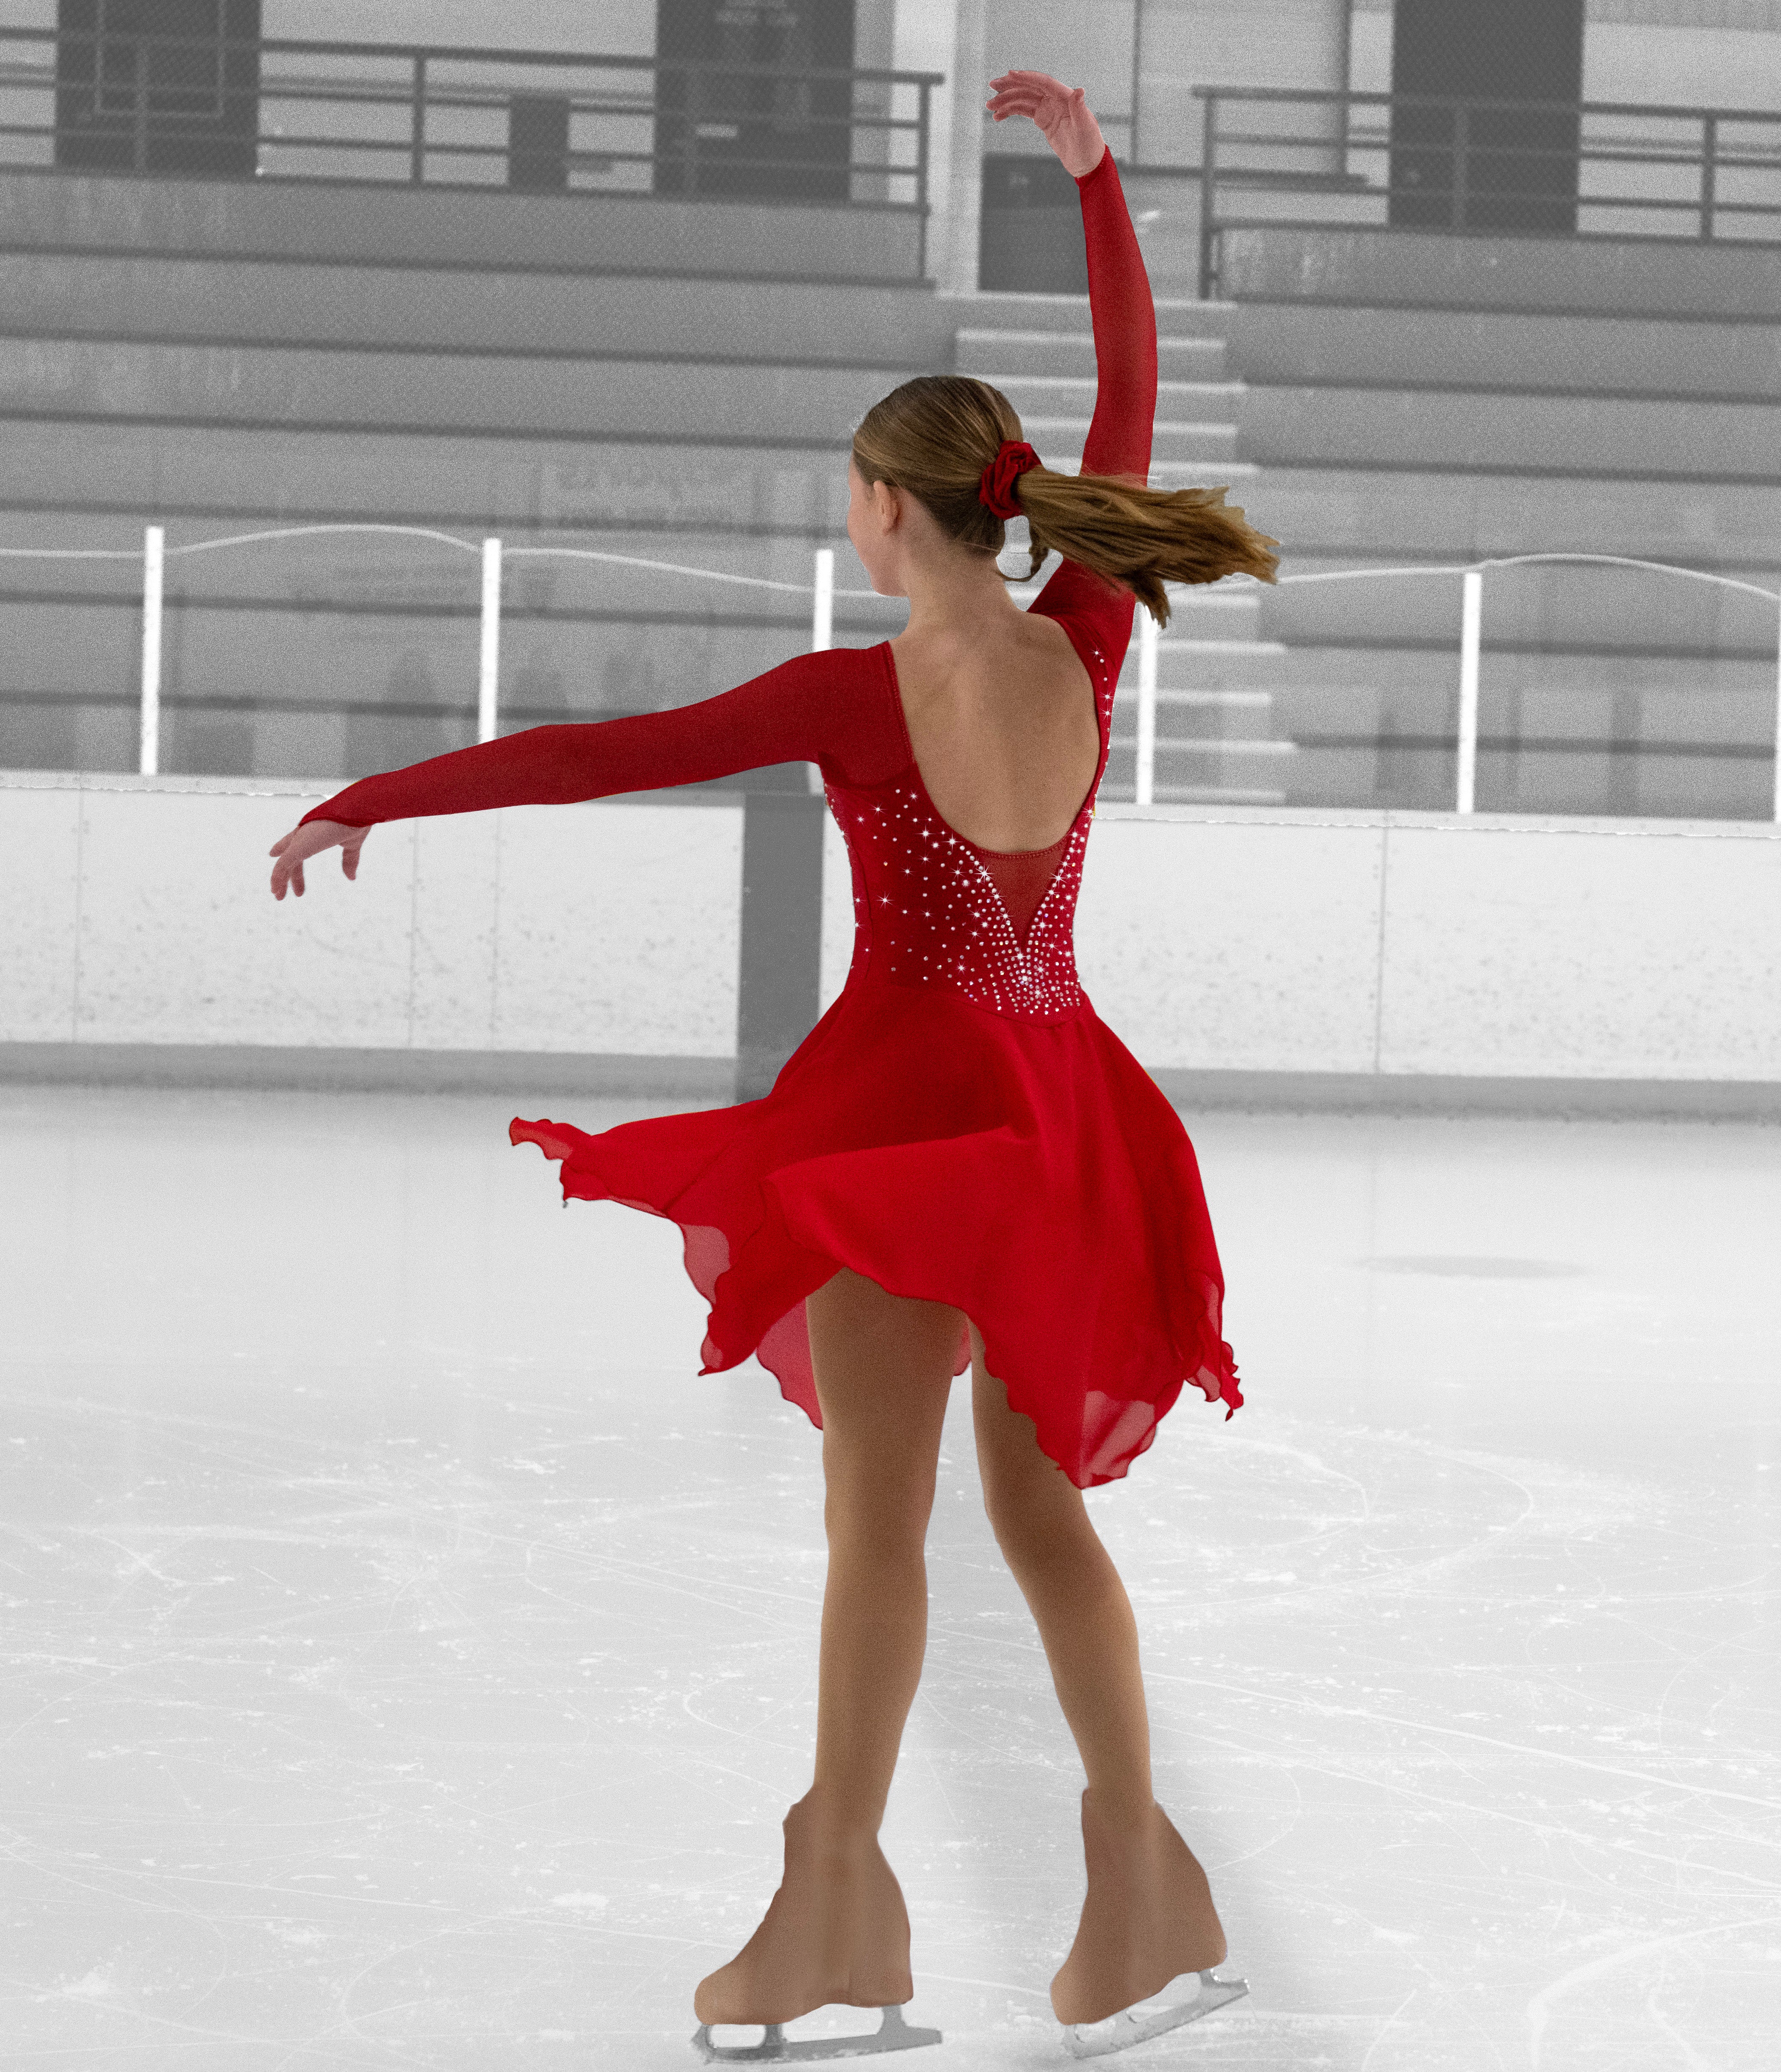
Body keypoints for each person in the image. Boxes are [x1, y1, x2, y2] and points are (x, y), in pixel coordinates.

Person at [267, 68, 1276, 2064]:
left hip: (911, 1122)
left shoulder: (851, 686)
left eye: (853, 483)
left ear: (888, 503)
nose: (846, 508)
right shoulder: (1088, 633)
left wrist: (365, 793)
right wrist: (1089, 183)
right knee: (1046, 1521)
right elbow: (1131, 389)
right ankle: (1141, 1912)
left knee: (876, 1531)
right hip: (1064, 1104)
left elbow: (591, 750)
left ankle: (834, 1931)